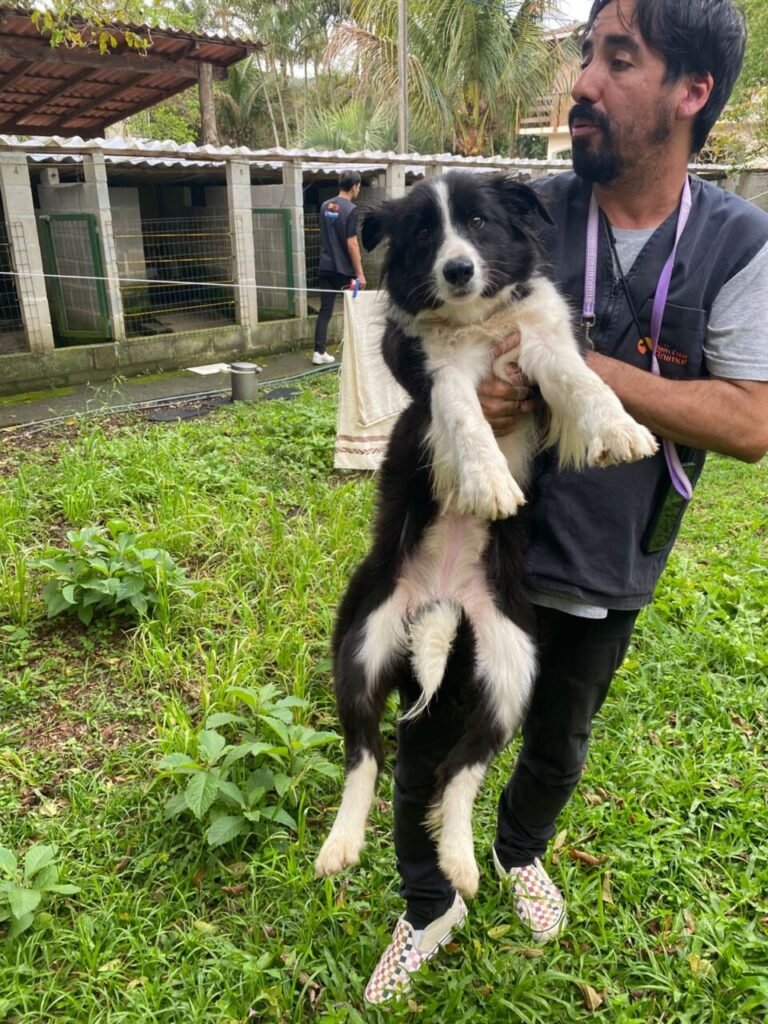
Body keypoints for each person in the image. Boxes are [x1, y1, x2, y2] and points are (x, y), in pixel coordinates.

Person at [363, 0, 768, 1005]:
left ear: (690, 92)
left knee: (557, 742)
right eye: (585, 53)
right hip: (486, 543)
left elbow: (752, 417)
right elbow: (399, 329)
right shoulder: (510, 207)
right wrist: (462, 381)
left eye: (615, 59)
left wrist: (576, 371)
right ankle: (428, 905)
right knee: (429, 735)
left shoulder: (738, 241)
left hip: (612, 558)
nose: (581, 80)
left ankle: (517, 852)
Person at [312, 170, 367, 365]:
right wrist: (360, 274)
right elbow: (352, 243)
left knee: (325, 309)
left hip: (326, 266)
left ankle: (318, 352)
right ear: (354, 187)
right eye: (359, 187)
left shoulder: (325, 206)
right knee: (354, 308)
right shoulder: (351, 210)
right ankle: (358, 352)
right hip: (345, 271)